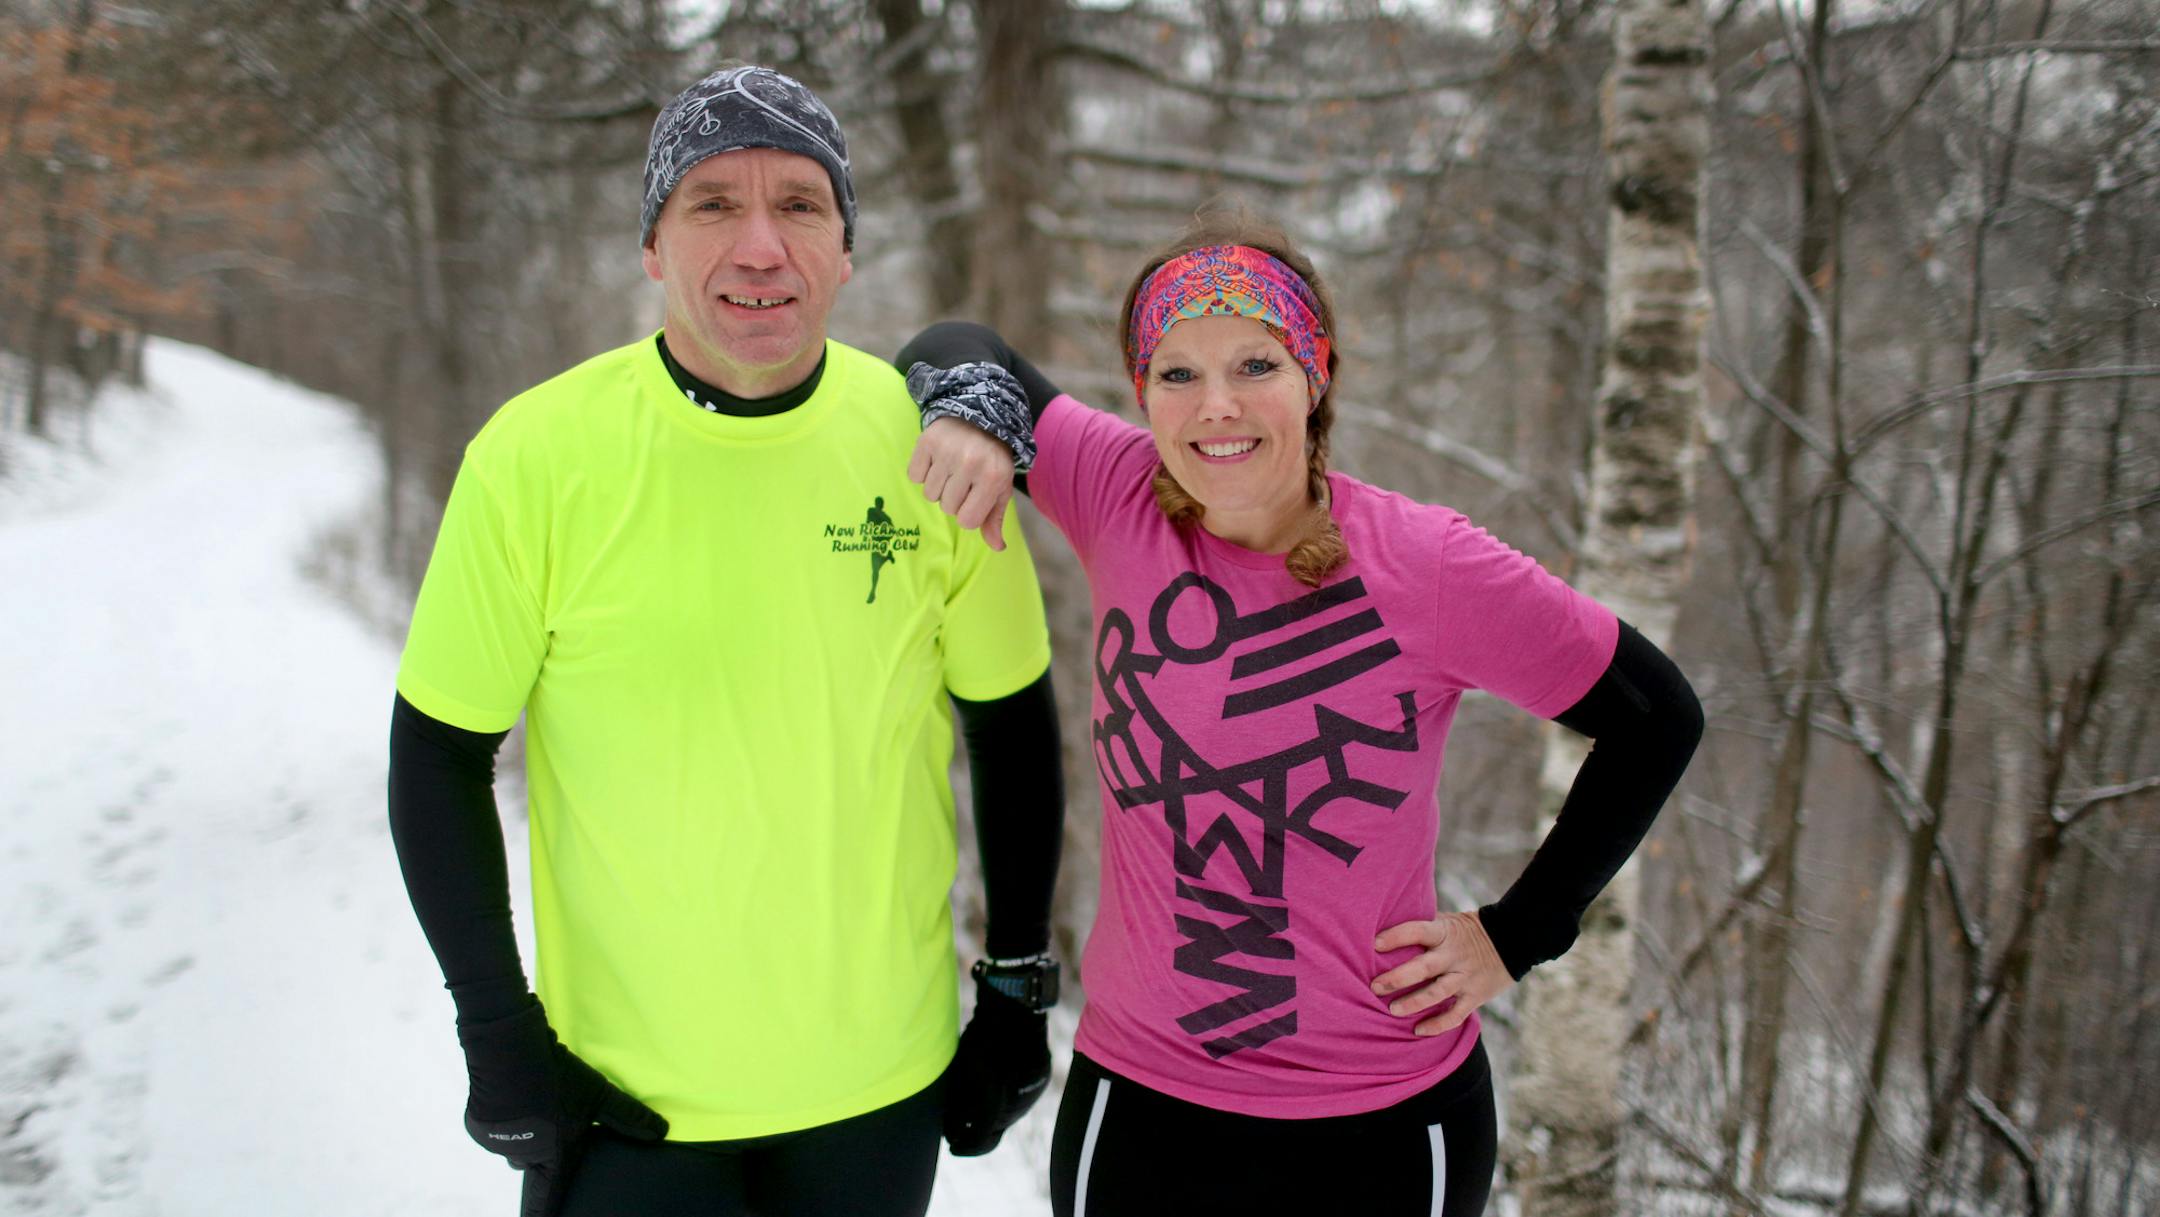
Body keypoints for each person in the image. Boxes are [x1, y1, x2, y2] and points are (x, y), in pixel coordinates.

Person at [899, 211, 1704, 1216]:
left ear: (1313, 375)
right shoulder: (1117, 493)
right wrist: (968, 411)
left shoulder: (1428, 563)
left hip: (1381, 1122)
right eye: (1177, 373)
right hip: (1143, 1101)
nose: (1216, 405)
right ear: (1142, 392)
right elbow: (956, 347)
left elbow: (1657, 716)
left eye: (1255, 365)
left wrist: (1517, 932)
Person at [386, 65, 1067, 1217]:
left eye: (800, 205)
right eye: (712, 204)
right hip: (629, 1106)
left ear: (845, 248)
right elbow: (438, 755)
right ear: (653, 245)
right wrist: (497, 1029)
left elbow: (1011, 729)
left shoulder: (933, 449)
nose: (761, 246)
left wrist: (1015, 986)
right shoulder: (536, 457)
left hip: (875, 1096)